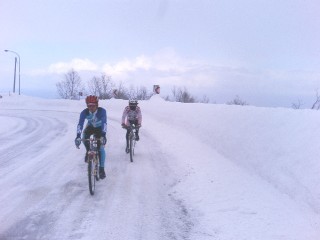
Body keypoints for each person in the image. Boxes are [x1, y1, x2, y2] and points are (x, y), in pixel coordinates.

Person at [75, 95, 107, 179]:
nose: (91, 108)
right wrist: (78, 136)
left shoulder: (102, 111)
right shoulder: (84, 112)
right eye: (89, 106)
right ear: (87, 105)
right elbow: (80, 124)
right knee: (84, 137)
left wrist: (103, 135)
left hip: (100, 129)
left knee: (101, 148)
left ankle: (102, 169)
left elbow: (104, 123)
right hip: (90, 127)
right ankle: (88, 150)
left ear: (97, 105)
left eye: (93, 106)